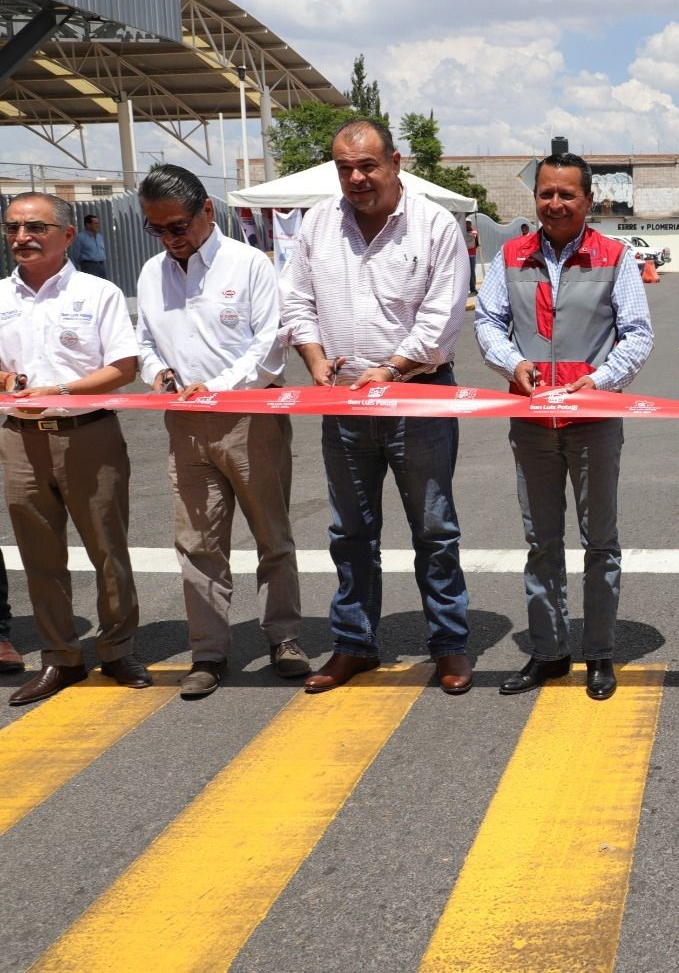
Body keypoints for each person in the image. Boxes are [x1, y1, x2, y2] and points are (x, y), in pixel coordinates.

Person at [280, 118, 473, 695]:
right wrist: (314, 360)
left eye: (367, 165)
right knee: (350, 531)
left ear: (395, 162)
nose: (357, 178)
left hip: (418, 395)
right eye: (344, 168)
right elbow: (296, 300)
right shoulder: (319, 224)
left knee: (434, 529)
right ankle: (354, 644)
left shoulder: (435, 225)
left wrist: (389, 371)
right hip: (343, 402)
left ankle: (449, 644)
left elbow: (442, 318)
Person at [475, 152, 654, 702]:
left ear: (588, 200)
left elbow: (639, 333)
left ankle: (599, 651)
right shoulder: (510, 256)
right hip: (531, 420)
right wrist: (512, 363)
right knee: (540, 541)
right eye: (546, 194)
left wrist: (602, 380)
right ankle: (549, 651)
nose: (554, 203)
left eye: (566, 195)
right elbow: (488, 320)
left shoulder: (615, 257)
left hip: (593, 419)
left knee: (600, 541)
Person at [135, 164, 307, 699]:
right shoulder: (150, 274)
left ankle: (283, 637)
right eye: (156, 229)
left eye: (177, 226)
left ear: (207, 210)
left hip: (250, 419)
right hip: (185, 425)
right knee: (197, 543)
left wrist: (217, 387)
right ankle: (208, 651)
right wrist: (157, 374)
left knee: (271, 536)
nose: (169, 239)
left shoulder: (249, 264)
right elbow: (143, 341)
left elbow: (268, 346)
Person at [0, 193, 146, 706]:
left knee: (108, 549)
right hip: (19, 441)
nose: (22, 237)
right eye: (13, 228)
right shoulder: (0, 296)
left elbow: (124, 366)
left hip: (89, 434)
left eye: (35, 227)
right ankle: (60, 658)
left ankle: (117, 650)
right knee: (40, 558)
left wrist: (60, 392)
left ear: (67, 234)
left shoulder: (99, 292)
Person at [68, 213, 109, 280]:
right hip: (89, 266)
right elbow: (75, 256)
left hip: (101, 266)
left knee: (102, 287)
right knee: (92, 287)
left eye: (98, 223)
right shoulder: (80, 237)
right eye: (95, 223)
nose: (98, 225)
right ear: (88, 225)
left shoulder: (99, 237)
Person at [464, 218, 480, 295]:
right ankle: (464, 289)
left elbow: (477, 243)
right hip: (463, 255)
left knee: (472, 271)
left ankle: (473, 289)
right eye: (466, 223)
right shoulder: (462, 232)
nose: (467, 224)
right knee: (464, 272)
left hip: (472, 254)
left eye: (469, 223)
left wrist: (472, 249)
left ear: (470, 223)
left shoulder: (474, 232)